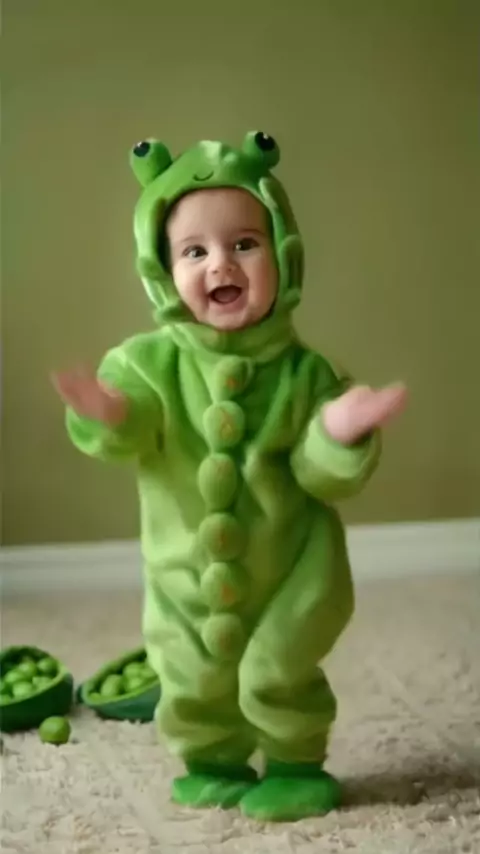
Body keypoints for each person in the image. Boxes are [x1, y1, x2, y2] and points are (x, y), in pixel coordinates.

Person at [52, 131, 407, 822]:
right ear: (162, 272)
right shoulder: (146, 363)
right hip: (183, 572)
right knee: (191, 676)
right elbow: (136, 423)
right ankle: (213, 761)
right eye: (194, 251)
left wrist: (338, 431)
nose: (221, 262)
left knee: (277, 670)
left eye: (245, 243)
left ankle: (296, 763)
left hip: (293, 569)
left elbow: (319, 475)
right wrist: (110, 411)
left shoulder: (307, 373)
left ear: (284, 255)